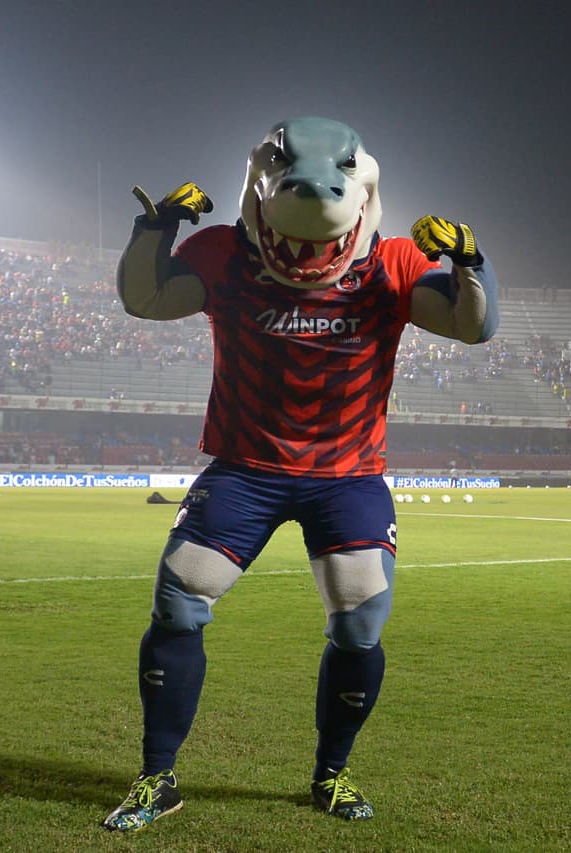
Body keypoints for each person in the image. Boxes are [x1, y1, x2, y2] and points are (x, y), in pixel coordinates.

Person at [102, 117, 499, 832]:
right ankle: (157, 775)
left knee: (361, 623)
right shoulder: (225, 253)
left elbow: (474, 326)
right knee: (178, 604)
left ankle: (331, 773)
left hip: (347, 474)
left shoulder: (394, 262)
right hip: (246, 468)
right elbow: (145, 298)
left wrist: (470, 261)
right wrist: (153, 230)